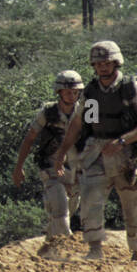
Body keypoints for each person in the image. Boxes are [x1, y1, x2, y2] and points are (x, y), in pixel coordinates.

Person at [53, 41, 137, 262]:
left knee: (133, 204)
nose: (102, 67)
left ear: (116, 63)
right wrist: (62, 152)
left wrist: (122, 140)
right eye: (98, 63)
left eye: (107, 63)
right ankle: (94, 249)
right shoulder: (90, 92)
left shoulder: (133, 89)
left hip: (126, 155)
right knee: (90, 199)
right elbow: (79, 124)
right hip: (97, 153)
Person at [13, 70, 84, 256]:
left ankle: (47, 249)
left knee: (67, 211)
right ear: (59, 92)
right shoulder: (48, 112)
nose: (72, 95)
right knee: (60, 210)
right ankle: (64, 252)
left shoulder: (86, 112)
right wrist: (19, 167)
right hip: (51, 169)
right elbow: (29, 139)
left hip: (76, 171)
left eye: (75, 91)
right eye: (68, 91)